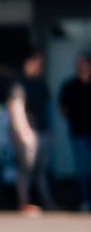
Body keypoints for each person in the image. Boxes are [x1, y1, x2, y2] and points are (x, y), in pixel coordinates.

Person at [8, 50, 55, 213]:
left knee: (41, 170)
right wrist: (23, 131)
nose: (39, 66)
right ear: (28, 62)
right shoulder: (20, 83)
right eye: (36, 62)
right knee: (26, 168)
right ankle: (24, 201)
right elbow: (15, 108)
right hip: (29, 132)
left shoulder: (41, 84)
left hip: (43, 132)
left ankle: (47, 202)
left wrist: (50, 132)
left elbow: (48, 109)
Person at [58, 52, 91, 211]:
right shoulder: (70, 86)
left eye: (84, 63)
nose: (81, 67)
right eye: (79, 64)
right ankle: (85, 200)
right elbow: (63, 109)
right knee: (82, 169)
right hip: (79, 132)